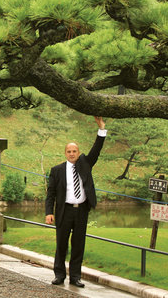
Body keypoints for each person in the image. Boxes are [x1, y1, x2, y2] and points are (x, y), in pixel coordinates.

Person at [45, 116, 106, 288]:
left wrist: (101, 129)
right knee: (61, 244)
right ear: (65, 153)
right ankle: (59, 275)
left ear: (78, 153)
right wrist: (49, 212)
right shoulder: (57, 171)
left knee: (78, 245)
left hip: (81, 211)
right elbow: (51, 194)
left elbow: (97, 149)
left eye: (75, 151)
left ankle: (75, 277)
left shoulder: (85, 163)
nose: (72, 154)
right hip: (64, 211)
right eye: (69, 151)